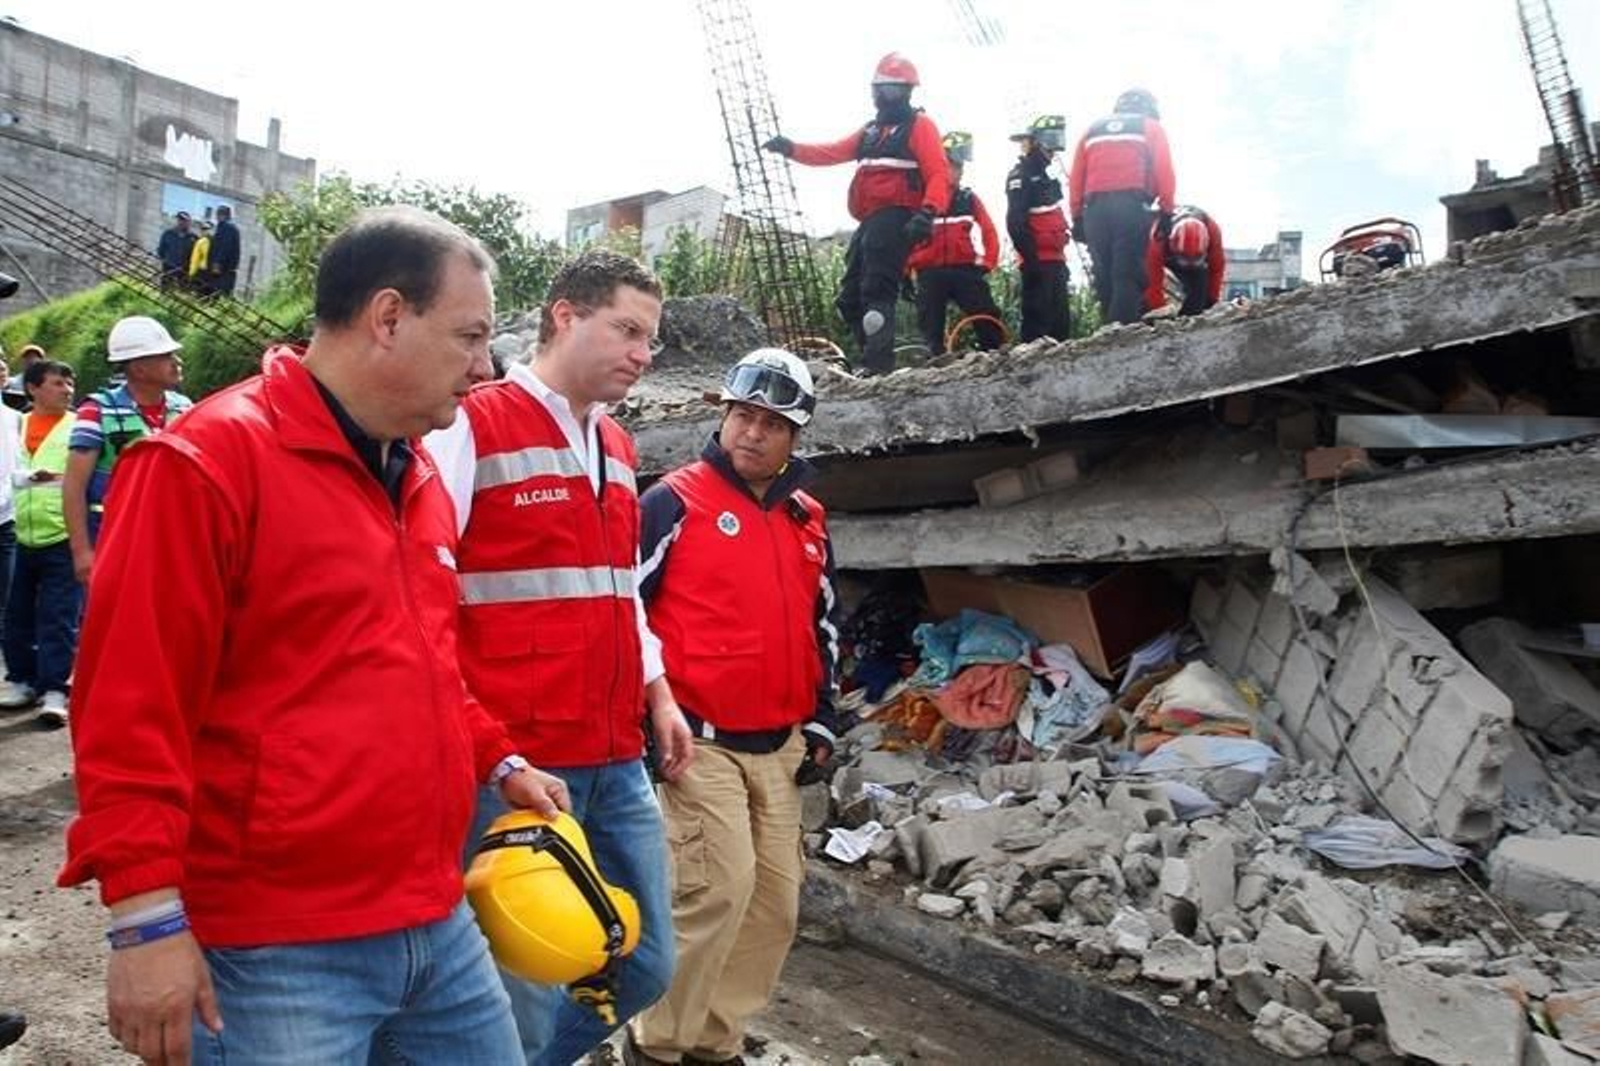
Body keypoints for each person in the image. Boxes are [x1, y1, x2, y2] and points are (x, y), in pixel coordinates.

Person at [58, 206, 566, 1065]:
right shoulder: (205, 466)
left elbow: (420, 664)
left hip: (435, 924)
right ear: (389, 317)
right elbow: (126, 709)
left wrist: (497, 759)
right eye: (471, 337)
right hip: (277, 952)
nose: (486, 369)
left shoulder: (415, 474)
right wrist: (144, 920)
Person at [426, 248, 695, 1066]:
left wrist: (660, 693)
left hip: (614, 753)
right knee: (527, 989)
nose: (643, 355)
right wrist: (483, 747)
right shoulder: (474, 422)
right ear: (565, 315)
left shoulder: (616, 445)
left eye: (649, 338)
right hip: (517, 762)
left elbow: (621, 592)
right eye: (627, 330)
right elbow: (425, 597)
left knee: (645, 964)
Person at [629, 349, 841, 1066]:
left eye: (770, 423)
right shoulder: (673, 503)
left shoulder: (807, 517)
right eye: (741, 416)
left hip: (778, 744)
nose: (751, 433)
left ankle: (714, 1044)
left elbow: (823, 624)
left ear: (796, 436)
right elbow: (621, 611)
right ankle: (657, 1046)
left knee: (774, 905)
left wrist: (821, 718)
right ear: (723, 416)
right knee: (716, 890)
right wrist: (640, 720)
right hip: (698, 739)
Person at [762, 53, 950, 377]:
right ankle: (874, 355)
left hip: (895, 218)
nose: (885, 96)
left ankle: (878, 367)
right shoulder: (870, 132)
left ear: (907, 93)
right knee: (849, 297)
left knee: (878, 290)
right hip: (870, 222)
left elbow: (938, 174)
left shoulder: (920, 126)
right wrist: (791, 148)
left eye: (893, 90)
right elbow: (831, 151)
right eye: (881, 89)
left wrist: (928, 211)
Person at [63, 315, 193, 586]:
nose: (176, 362)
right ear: (139, 368)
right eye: (165, 355)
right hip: (112, 540)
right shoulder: (96, 411)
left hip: (175, 541)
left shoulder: (185, 408)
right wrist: (82, 553)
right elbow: (73, 486)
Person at [0, 360, 79, 727]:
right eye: (57, 383)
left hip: (62, 533)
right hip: (22, 530)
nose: (66, 389)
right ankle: (21, 679)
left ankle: (55, 689)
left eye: (69, 383)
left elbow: (87, 481)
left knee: (58, 616)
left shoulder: (78, 427)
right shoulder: (15, 424)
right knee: (17, 614)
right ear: (32, 388)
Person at [1069, 88, 1176, 325]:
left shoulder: (1091, 130)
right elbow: (1164, 171)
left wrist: (1077, 216)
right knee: (1127, 273)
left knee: (1104, 274)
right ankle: (1122, 337)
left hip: (1094, 210)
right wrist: (1167, 211)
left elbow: (1077, 175)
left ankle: (1108, 330)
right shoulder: (1150, 127)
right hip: (1131, 206)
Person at [905, 131, 1004, 355]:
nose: (958, 172)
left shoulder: (968, 199)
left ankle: (998, 357)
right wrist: (905, 270)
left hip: (965, 269)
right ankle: (936, 363)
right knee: (930, 328)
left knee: (986, 315)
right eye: (952, 166)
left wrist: (987, 262)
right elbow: (905, 237)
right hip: (929, 271)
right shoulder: (921, 200)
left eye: (960, 167)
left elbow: (989, 231)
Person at [1006, 114, 1073, 342]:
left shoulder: (1046, 177)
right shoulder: (1020, 176)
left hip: (1056, 261)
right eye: (1049, 141)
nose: (1053, 151)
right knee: (1038, 326)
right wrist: (1032, 260)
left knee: (1061, 325)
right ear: (1034, 142)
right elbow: (1015, 222)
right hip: (1037, 263)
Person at [1144, 205, 1225, 318]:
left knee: (1200, 288)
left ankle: (1193, 318)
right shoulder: (1160, 234)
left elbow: (1217, 268)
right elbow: (1152, 278)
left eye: (1194, 259)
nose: (1189, 264)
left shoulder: (1213, 231)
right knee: (1144, 291)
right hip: (1167, 257)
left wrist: (1212, 300)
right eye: (1185, 259)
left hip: (1199, 265)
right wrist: (1159, 311)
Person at [155, 211, 195, 287]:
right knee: (166, 289)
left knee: (182, 291)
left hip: (184, 269)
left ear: (189, 222)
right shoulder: (168, 233)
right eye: (180, 220)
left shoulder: (193, 237)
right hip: (169, 266)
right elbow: (161, 250)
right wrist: (165, 260)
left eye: (184, 220)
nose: (181, 222)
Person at [2, 344, 45, 412]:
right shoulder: (12, 382)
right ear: (23, 360)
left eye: (35, 357)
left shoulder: (49, 383)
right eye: (28, 357)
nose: (32, 360)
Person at [210, 204, 241, 296]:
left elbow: (224, 247)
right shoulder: (225, 227)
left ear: (226, 215)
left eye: (220, 214)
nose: (217, 216)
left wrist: (217, 263)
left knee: (220, 295)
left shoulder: (227, 228)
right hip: (225, 270)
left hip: (224, 270)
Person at [187, 220, 213, 294]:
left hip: (202, 272)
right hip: (213, 273)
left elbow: (195, 259)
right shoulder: (218, 242)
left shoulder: (201, 242)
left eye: (205, 229)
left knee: (199, 295)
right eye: (203, 229)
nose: (204, 231)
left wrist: (191, 274)